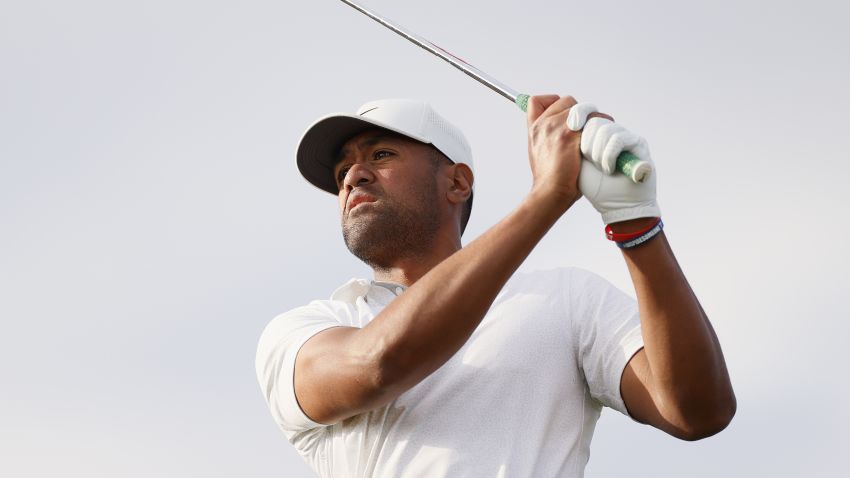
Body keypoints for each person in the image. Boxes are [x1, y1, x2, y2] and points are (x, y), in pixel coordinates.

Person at [256, 96, 735, 477]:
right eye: (342, 173)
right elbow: (383, 361)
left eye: (381, 155)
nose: (353, 176)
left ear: (458, 184)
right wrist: (548, 195)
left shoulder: (565, 297)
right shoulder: (307, 328)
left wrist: (635, 224)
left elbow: (697, 410)